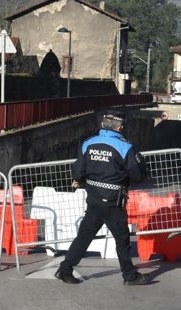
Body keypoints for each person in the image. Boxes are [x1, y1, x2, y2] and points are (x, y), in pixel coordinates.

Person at [55, 111, 150, 285]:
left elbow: (77, 171)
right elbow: (138, 175)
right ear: (120, 127)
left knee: (83, 238)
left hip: (94, 200)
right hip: (113, 202)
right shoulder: (125, 147)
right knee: (122, 240)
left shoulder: (88, 143)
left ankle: (65, 270)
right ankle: (130, 276)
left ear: (102, 126)